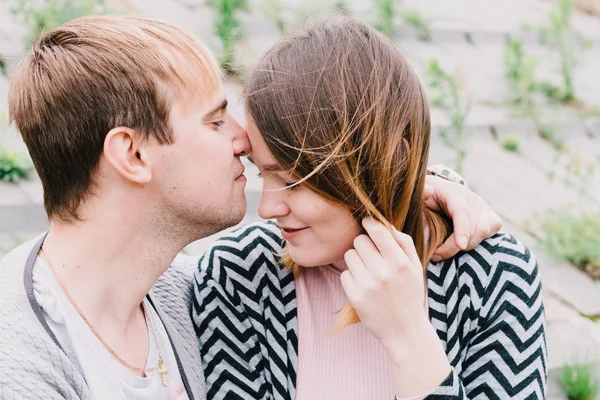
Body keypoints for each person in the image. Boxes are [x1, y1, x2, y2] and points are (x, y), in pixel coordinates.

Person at [0, 15, 500, 400]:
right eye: (215, 121)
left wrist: (412, 186)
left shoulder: (183, 292)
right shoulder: (20, 358)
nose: (243, 139)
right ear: (132, 155)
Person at [193, 18, 547, 400]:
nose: (266, 208)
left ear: (375, 165)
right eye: (262, 173)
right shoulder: (237, 274)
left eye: (293, 180)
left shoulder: (492, 276)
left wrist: (408, 337)